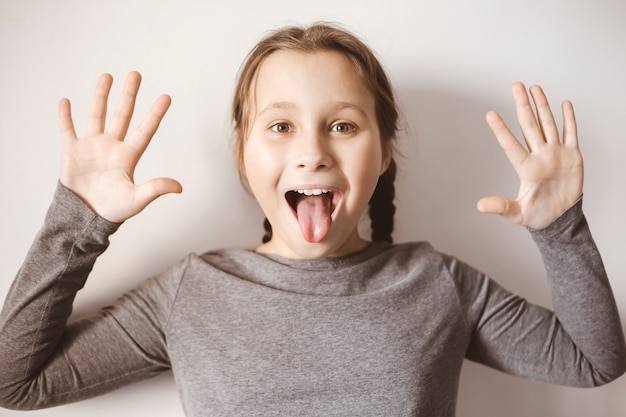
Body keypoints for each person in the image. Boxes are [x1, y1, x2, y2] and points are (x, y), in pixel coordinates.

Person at [0, 23, 624, 416]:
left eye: (343, 126)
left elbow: (594, 362)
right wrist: (77, 222)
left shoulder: (437, 281)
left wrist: (561, 227)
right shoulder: (191, 293)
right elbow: (13, 383)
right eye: (280, 126)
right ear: (244, 153)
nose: (312, 151)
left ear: (382, 153)